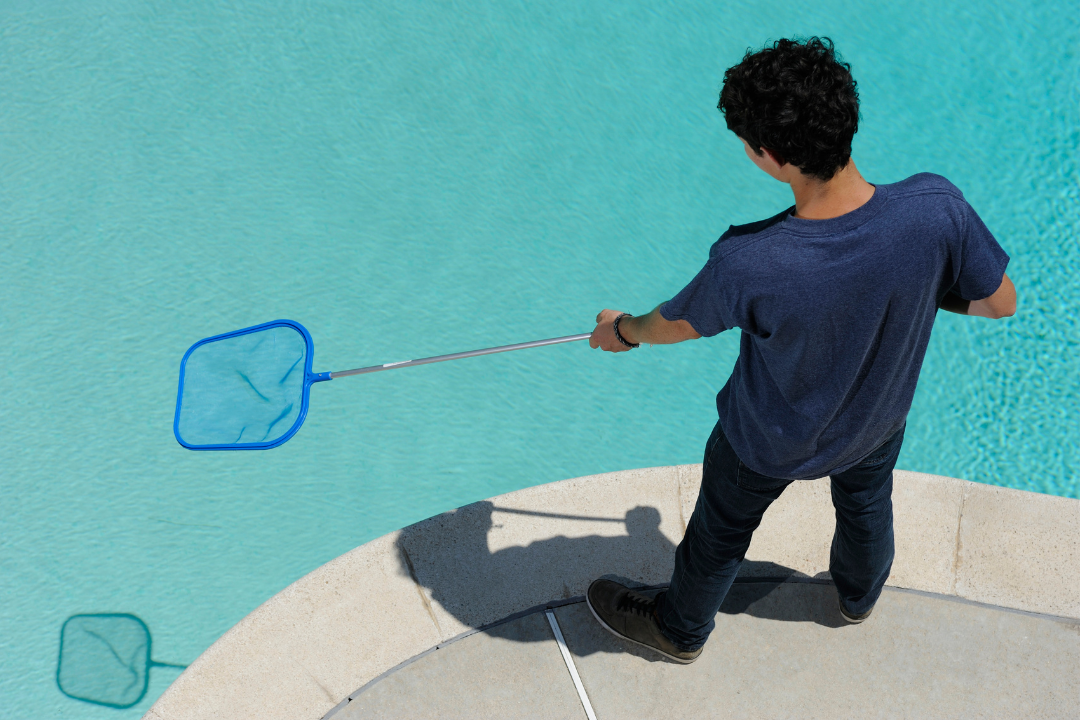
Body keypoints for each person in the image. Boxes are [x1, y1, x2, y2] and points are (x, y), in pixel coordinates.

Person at [584, 36, 1016, 664]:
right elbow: (1000, 302)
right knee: (866, 507)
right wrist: (921, 288)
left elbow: (674, 324)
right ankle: (859, 598)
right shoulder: (935, 209)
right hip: (875, 423)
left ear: (771, 156)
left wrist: (620, 329)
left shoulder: (749, 260)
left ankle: (678, 630)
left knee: (720, 533)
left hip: (763, 441)